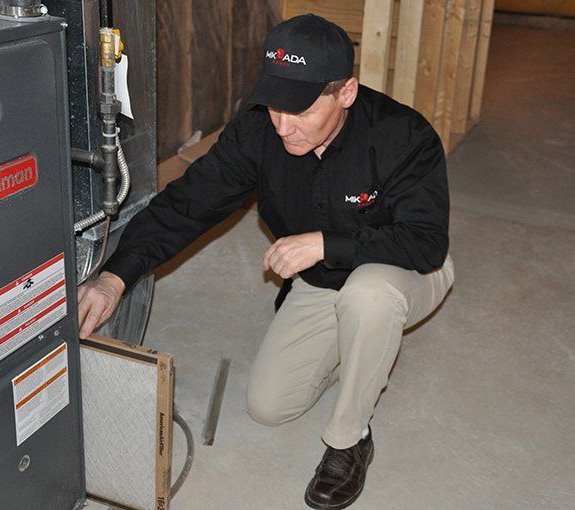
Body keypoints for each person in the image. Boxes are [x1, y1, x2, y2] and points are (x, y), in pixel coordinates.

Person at [78, 13, 454, 510]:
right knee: (269, 406)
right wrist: (113, 278)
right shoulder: (258, 130)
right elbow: (187, 204)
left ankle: (349, 440)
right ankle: (359, 338)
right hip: (322, 282)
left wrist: (324, 244)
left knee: (370, 296)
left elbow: (425, 241)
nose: (283, 124)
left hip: (405, 269)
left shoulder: (402, 135)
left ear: (345, 92)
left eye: (300, 109)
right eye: (275, 104)